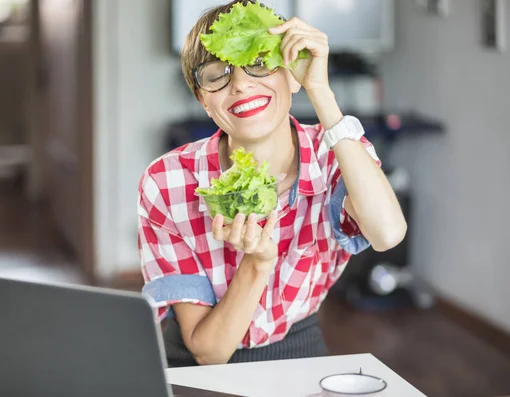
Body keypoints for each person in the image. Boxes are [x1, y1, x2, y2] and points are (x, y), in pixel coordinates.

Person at [137, 0, 407, 367]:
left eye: (260, 62)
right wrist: (257, 263)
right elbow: (209, 353)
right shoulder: (166, 181)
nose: (242, 84)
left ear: (292, 74)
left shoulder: (335, 157)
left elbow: (388, 233)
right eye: (217, 74)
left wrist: (321, 91)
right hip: (196, 359)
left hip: (297, 345)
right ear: (202, 99)